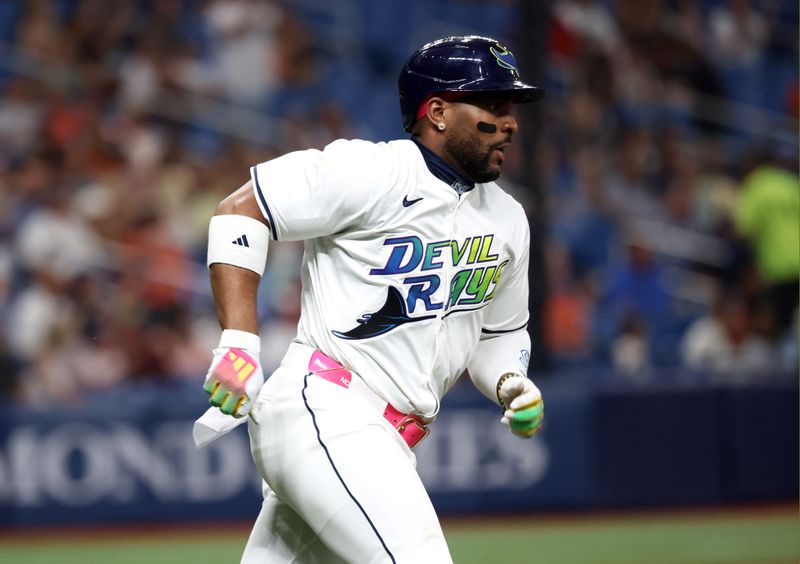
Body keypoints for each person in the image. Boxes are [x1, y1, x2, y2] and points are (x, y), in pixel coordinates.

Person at [196, 36, 546, 564]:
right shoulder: (370, 172)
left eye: (511, 108)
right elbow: (239, 212)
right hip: (328, 406)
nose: (510, 122)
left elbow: (499, 333)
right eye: (493, 106)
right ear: (438, 112)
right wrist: (240, 342)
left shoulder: (508, 219)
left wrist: (510, 381)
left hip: (389, 440)